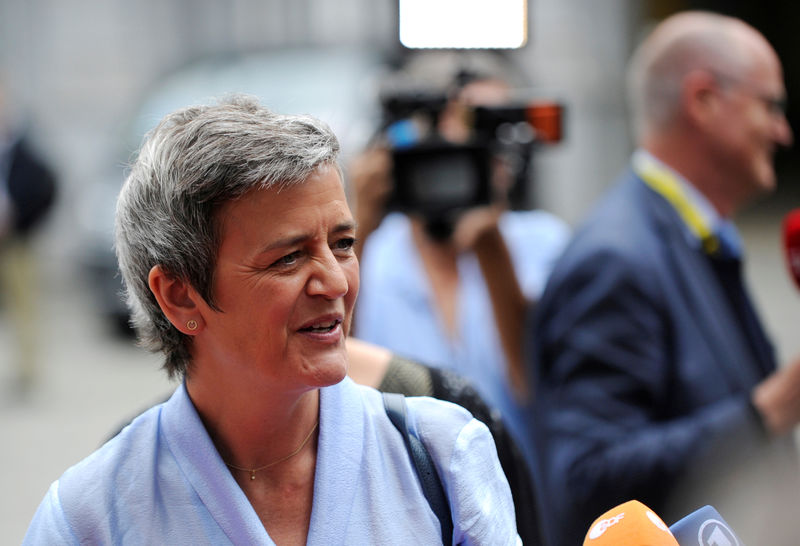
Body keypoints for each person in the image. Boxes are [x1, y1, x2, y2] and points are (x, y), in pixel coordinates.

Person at [23, 95, 519, 544]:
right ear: (180, 297)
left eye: (343, 244)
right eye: (289, 258)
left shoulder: (440, 458)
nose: (336, 282)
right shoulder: (91, 516)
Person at [529, 11, 800, 545]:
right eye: (770, 105)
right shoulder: (617, 258)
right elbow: (587, 479)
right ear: (702, 101)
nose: (783, 131)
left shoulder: (684, 234)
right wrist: (774, 406)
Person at [352, 67, 570, 472]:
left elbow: (543, 394)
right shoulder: (375, 253)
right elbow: (330, 379)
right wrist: (357, 224)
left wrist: (493, 252)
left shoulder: (544, 242)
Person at [0, 83, 57, 396]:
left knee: (23, 306)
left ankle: (26, 370)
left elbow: (45, 185)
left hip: (16, 240)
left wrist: (23, 220)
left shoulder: (21, 146)